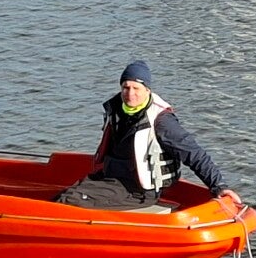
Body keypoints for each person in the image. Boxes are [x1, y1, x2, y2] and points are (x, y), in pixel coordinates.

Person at [56, 60, 242, 211]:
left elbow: (193, 153)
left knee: (69, 202)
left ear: (147, 90)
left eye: (136, 88)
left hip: (137, 190)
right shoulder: (116, 110)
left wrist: (219, 186)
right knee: (62, 196)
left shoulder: (161, 121)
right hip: (110, 179)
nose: (130, 94)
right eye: (126, 87)